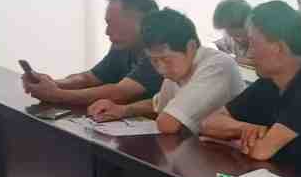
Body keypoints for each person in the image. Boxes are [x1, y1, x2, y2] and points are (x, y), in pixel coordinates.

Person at [201, 1, 301, 177]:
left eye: (253, 44)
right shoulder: (268, 84)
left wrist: (227, 140)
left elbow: (261, 151)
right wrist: (244, 128)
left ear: (279, 48)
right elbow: (209, 124)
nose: (249, 54)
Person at [86, 8, 244, 134]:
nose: (161, 69)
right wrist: (122, 110)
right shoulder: (178, 68)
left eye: (166, 60)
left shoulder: (217, 65)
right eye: (154, 61)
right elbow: (159, 104)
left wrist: (161, 115)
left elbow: (168, 124)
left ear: (191, 47)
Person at [21, 0, 162, 109]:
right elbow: (88, 78)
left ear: (142, 22)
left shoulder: (159, 51)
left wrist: (57, 94)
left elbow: (119, 92)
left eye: (113, 24)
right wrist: (51, 83)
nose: (107, 32)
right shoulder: (122, 45)